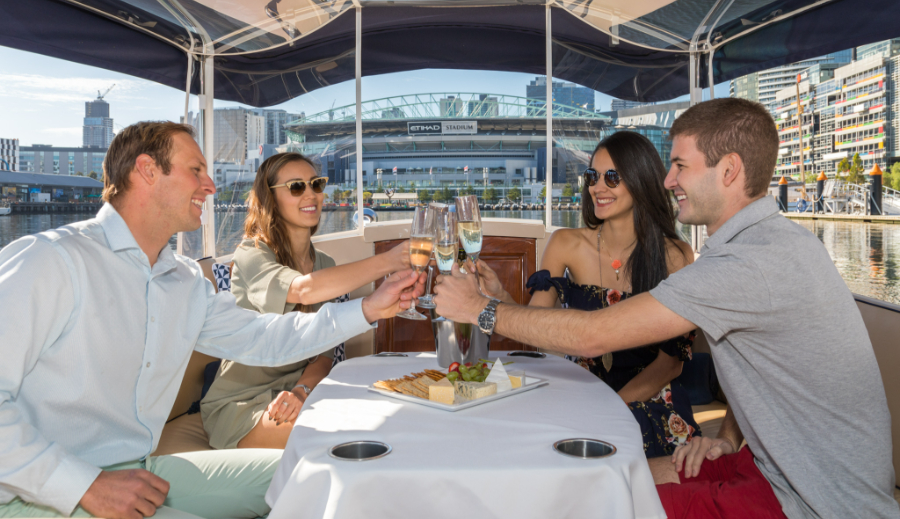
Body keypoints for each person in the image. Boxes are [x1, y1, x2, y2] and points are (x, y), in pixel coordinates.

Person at [434, 98, 899, 519]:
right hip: (770, 469)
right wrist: (728, 438)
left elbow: (594, 336)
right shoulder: (775, 242)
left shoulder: (746, 263)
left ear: (729, 170)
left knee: (585, 500)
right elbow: (763, 369)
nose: (668, 179)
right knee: (605, 475)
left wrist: (481, 309)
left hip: (810, 503)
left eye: (680, 165)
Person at [0, 122, 424, 519]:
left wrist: (369, 308)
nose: (211, 184)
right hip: (33, 488)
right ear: (147, 170)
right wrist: (86, 486)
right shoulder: (51, 260)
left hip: (138, 467)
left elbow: (267, 338)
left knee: (328, 475)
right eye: (196, 169)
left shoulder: (182, 280)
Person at [475, 131, 699, 458]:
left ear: (640, 179)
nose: (597, 187)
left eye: (612, 177)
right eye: (593, 176)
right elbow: (541, 330)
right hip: (576, 390)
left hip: (648, 396)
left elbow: (670, 365)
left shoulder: (676, 255)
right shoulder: (565, 243)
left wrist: (609, 408)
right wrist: (500, 299)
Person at [201, 152, 411, 450]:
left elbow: (324, 354)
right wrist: (389, 261)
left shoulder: (325, 263)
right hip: (241, 403)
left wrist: (301, 391)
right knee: (344, 439)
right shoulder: (252, 253)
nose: (311, 194)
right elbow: (300, 290)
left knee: (388, 416)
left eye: (316, 183)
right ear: (270, 199)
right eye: (297, 187)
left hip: (298, 394)